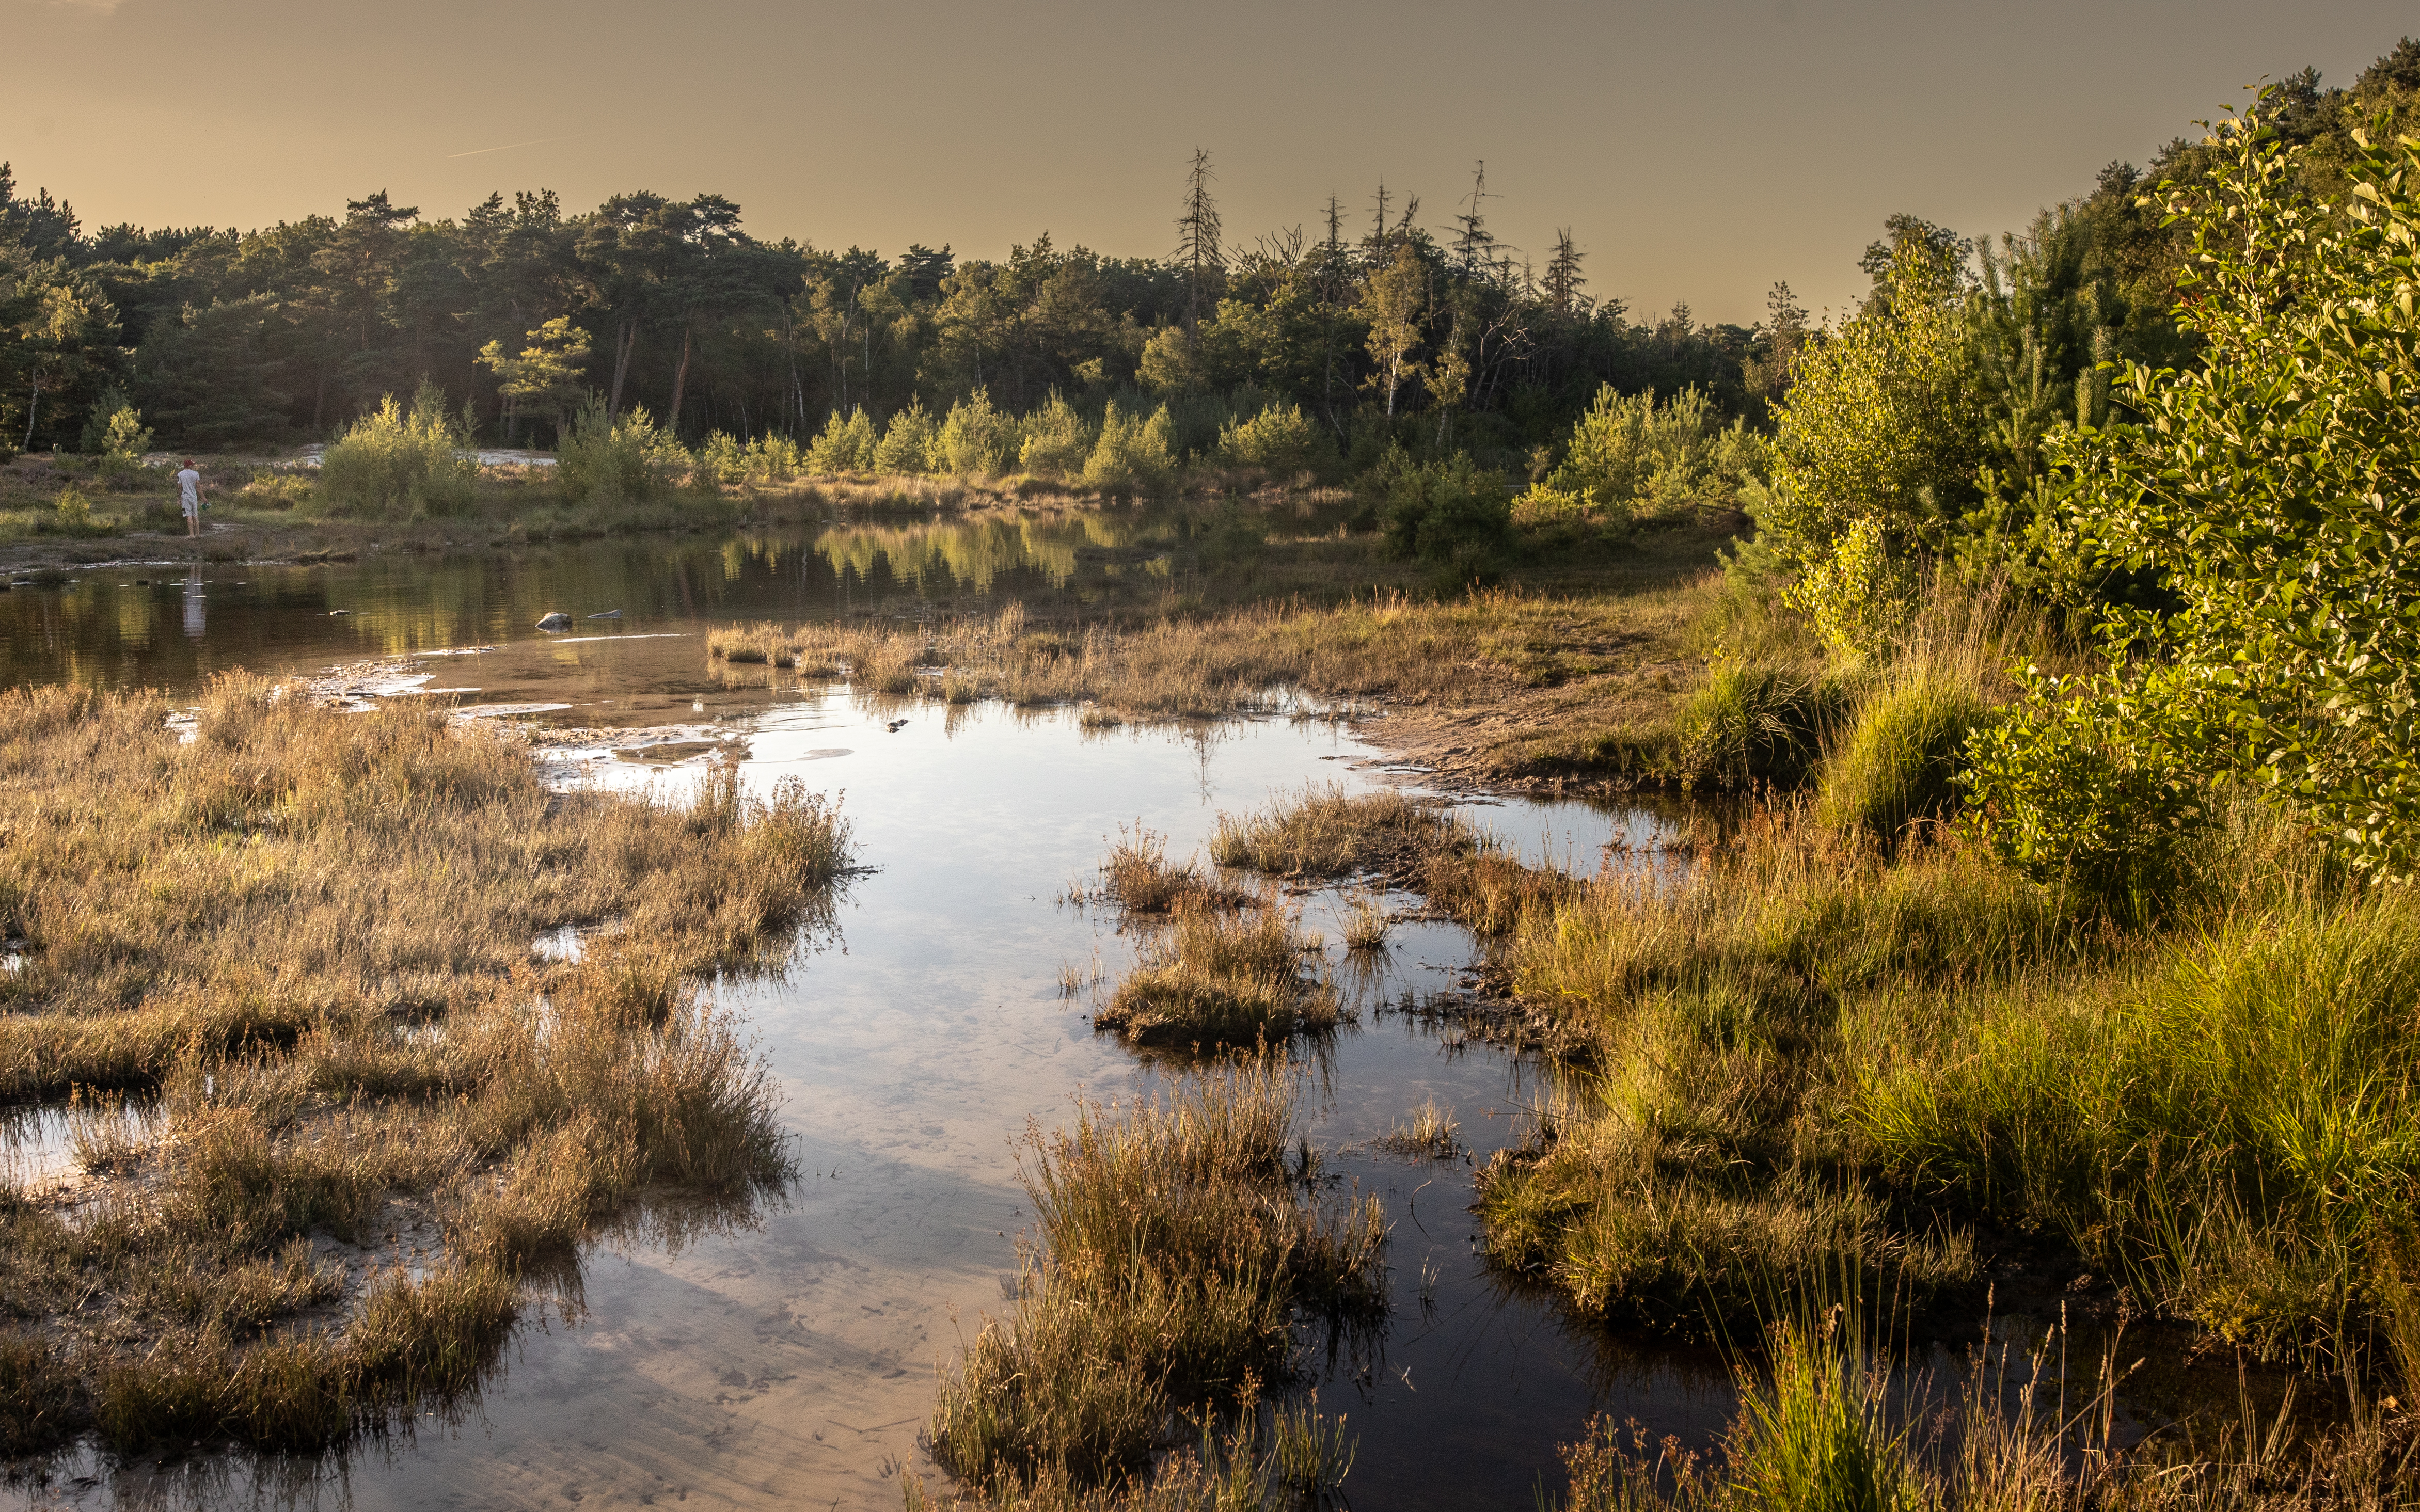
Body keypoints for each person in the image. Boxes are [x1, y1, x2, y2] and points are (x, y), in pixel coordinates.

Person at [175, 458, 205, 537]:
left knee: (188, 516)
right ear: (190, 466)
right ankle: (198, 534)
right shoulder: (196, 474)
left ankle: (191, 534)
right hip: (194, 498)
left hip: (185, 498)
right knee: (195, 516)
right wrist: (203, 497)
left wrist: (179, 499)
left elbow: (179, 488)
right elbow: (198, 487)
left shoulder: (179, 475)